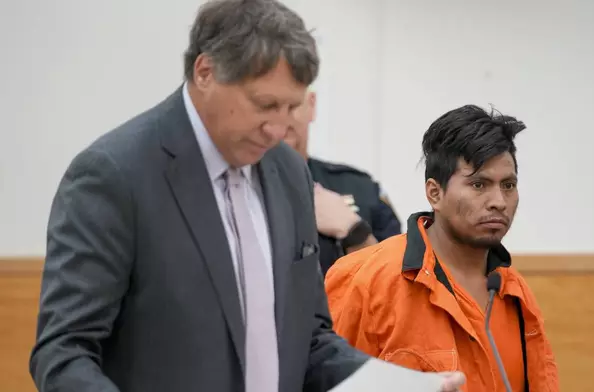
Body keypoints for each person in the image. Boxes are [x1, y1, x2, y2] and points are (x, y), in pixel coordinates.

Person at [29, 1, 465, 391]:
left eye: (290, 108)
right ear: (205, 72)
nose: (279, 130)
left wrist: (393, 386)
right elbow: (63, 354)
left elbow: (309, 340)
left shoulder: (290, 173)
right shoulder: (114, 175)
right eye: (263, 105)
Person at [325, 105, 560, 392]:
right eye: (478, 184)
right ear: (435, 193)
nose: (499, 201)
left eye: (508, 185)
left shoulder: (515, 293)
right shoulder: (364, 278)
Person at [283, 91, 401, 275]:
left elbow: (396, 284)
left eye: (291, 105)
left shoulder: (360, 189)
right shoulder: (232, 189)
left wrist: (355, 233)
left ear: (311, 105)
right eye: (266, 105)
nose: (280, 118)